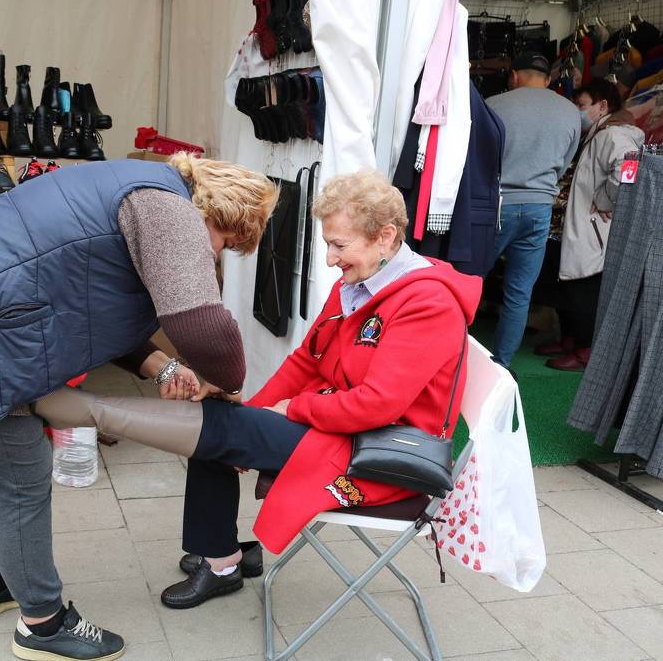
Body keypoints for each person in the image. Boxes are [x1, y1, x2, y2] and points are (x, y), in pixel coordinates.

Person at [0, 153, 276, 661]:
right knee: (19, 472)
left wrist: (163, 368)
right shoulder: (172, 212)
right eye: (225, 244)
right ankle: (43, 624)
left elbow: (99, 301)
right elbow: (203, 325)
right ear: (225, 217)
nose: (217, 255)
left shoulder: (140, 186)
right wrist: (228, 384)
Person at [35, 169, 482, 608]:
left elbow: (377, 406)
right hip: (347, 427)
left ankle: (218, 558)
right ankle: (220, 555)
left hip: (383, 454)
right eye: (327, 244)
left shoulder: (427, 303)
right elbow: (307, 359)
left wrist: (291, 409)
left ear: (385, 236)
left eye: (340, 245)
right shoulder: (363, 280)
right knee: (223, 422)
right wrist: (256, 407)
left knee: (218, 429)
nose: (330, 260)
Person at [485, 52, 581, 368]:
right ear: (548, 79)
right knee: (519, 293)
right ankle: (502, 365)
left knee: (469, 282)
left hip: (497, 204)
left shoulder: (494, 104)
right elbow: (565, 162)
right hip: (540, 207)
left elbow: (478, 158)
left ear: (514, 75)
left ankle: (451, 356)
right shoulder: (571, 111)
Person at [545, 79, 644, 372]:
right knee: (570, 286)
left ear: (602, 106)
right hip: (579, 224)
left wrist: (606, 200)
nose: (577, 110)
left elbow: (630, 168)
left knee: (584, 290)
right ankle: (571, 340)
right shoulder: (599, 132)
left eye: (582, 105)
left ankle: (586, 351)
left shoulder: (614, 135)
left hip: (594, 228)